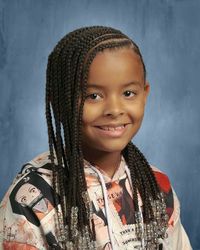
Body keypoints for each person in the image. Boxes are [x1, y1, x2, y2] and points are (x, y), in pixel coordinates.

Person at [0, 26, 192, 250]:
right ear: (60, 103)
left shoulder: (156, 186)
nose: (114, 109)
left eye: (128, 93)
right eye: (93, 96)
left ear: (145, 94)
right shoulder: (34, 196)